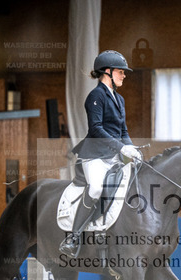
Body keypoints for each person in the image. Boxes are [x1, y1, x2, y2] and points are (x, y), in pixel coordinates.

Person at [60, 50, 142, 258]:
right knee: (96, 188)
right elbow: (96, 128)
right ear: (107, 72)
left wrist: (131, 148)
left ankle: (105, 228)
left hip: (113, 156)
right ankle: (73, 237)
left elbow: (123, 131)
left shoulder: (119, 99)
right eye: (120, 72)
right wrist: (121, 148)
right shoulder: (96, 96)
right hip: (94, 156)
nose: (124, 75)